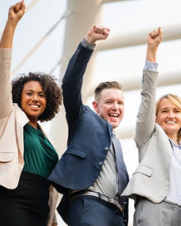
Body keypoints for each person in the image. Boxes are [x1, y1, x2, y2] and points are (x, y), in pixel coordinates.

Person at [48, 24, 129, 226]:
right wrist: (88, 43)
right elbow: (70, 84)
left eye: (120, 103)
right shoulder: (83, 117)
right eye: (109, 102)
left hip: (117, 215)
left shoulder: (116, 143)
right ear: (95, 106)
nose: (116, 107)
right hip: (90, 205)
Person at [0, 1, 62, 226]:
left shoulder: (45, 138)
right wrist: (11, 24)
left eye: (41, 95)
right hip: (12, 198)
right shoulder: (7, 117)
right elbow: (1, 72)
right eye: (29, 93)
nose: (35, 98)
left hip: (41, 206)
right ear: (18, 97)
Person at [122, 27, 181, 226]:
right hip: (155, 209)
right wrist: (152, 51)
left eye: (176, 111)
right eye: (164, 111)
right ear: (156, 118)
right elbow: (148, 96)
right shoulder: (149, 137)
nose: (171, 115)